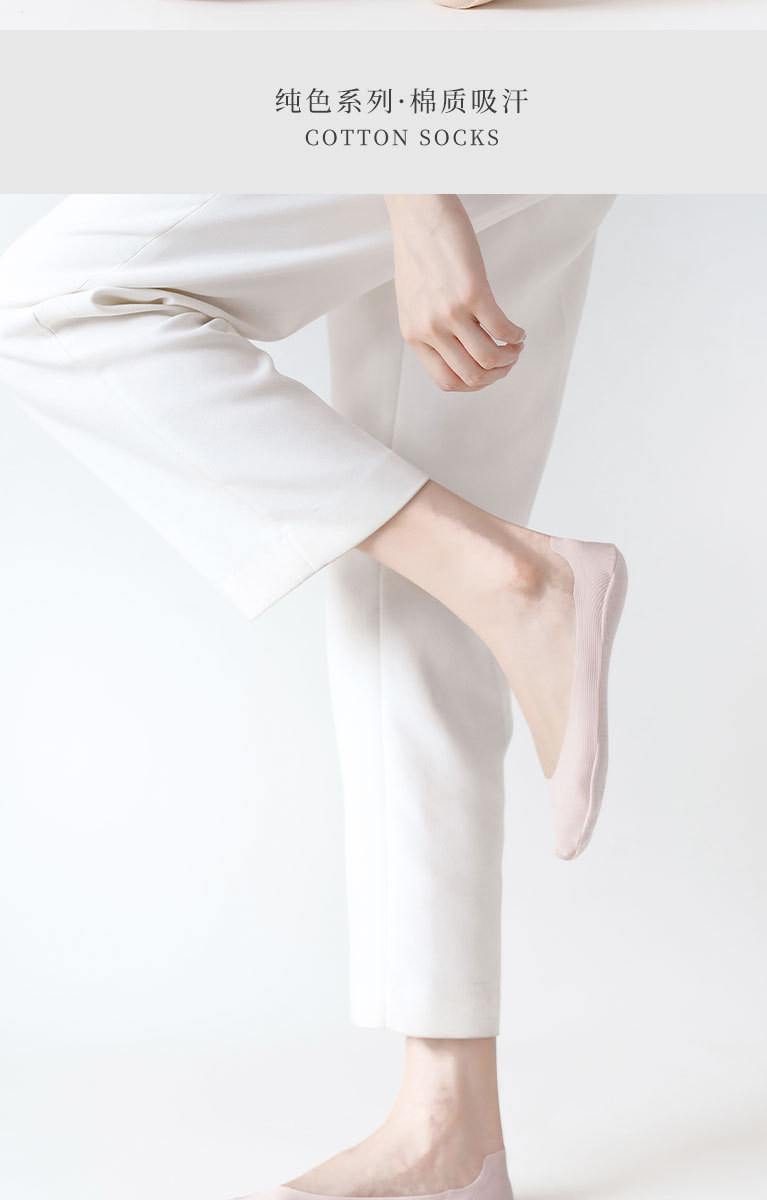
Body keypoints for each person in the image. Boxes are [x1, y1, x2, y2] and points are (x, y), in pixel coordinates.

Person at [0, 193, 625, 1200]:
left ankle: (519, 582)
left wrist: (419, 194)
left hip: (439, 107)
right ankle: (451, 1130)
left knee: (60, 301)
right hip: (539, 101)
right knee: (422, 583)